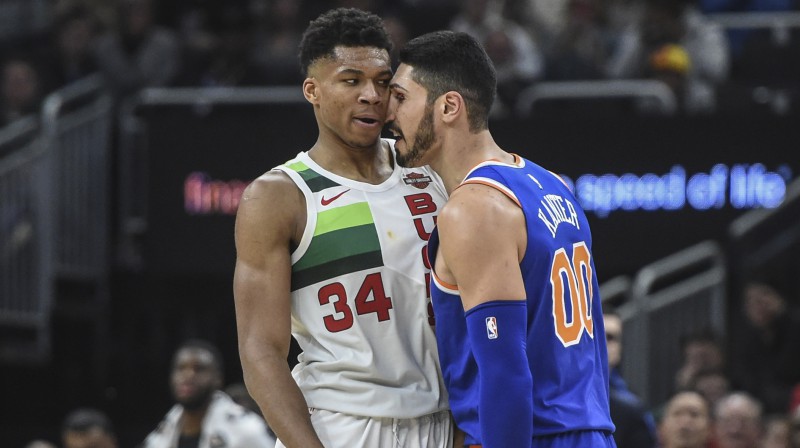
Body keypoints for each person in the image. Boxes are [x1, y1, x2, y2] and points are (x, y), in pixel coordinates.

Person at [233, 8, 451, 448]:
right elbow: (261, 352)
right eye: (351, 81)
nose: (372, 95)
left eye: (383, 81)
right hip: (342, 427)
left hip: (440, 422)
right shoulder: (279, 195)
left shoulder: (430, 172)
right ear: (312, 90)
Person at [386, 30, 615, 447]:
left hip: (534, 435)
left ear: (449, 107)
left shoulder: (474, 209)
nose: (388, 112)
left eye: (401, 98)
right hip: (590, 430)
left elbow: (506, 374)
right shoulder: (551, 185)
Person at [142, 339, 275, 447]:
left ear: (218, 379)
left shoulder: (246, 430)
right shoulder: (163, 433)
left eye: (199, 369)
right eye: (181, 368)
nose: (188, 376)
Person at [604, 308, 657, 448]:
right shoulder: (559, 393)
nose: (601, 343)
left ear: (620, 349)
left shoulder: (632, 407)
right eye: (595, 334)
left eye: (610, 337)